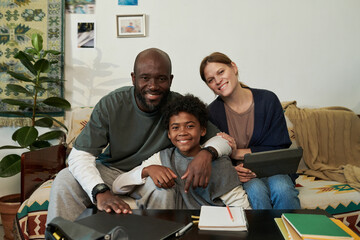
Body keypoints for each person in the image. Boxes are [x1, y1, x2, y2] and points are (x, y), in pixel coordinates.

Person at [46, 48, 231, 224]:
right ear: (133, 79)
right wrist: (100, 191)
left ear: (170, 80)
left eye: (161, 79)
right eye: (145, 78)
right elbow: (80, 156)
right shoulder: (112, 104)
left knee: (164, 191)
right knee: (64, 180)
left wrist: (206, 154)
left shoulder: (178, 106)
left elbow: (222, 139)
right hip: (112, 170)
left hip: (154, 173)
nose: (153, 86)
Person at [199, 52, 300, 209]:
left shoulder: (268, 100)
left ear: (234, 67)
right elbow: (214, 155)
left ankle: (291, 233)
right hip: (241, 173)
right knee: (256, 191)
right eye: (211, 80)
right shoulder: (211, 113)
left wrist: (236, 153)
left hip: (273, 167)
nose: (218, 81)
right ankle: (262, 234)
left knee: (282, 189)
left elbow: (280, 147)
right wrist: (232, 170)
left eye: (221, 72)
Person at [112, 94, 251, 209]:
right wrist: (147, 170)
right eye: (175, 128)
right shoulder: (163, 157)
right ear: (169, 134)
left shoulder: (220, 162)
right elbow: (117, 186)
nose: (182, 132)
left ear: (203, 130)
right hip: (175, 226)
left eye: (190, 126)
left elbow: (241, 206)